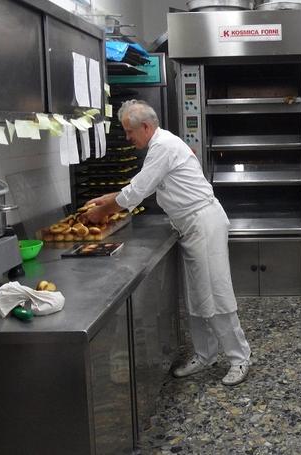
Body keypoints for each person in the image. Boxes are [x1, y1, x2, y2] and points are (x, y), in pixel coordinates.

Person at [82, 100, 251, 386]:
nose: (127, 138)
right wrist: (108, 199)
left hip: (203, 222)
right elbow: (140, 184)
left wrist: (103, 209)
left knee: (216, 290)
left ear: (146, 127)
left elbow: (138, 190)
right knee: (197, 295)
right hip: (191, 225)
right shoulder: (160, 146)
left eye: (129, 132)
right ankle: (205, 354)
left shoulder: (162, 146)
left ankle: (239, 357)